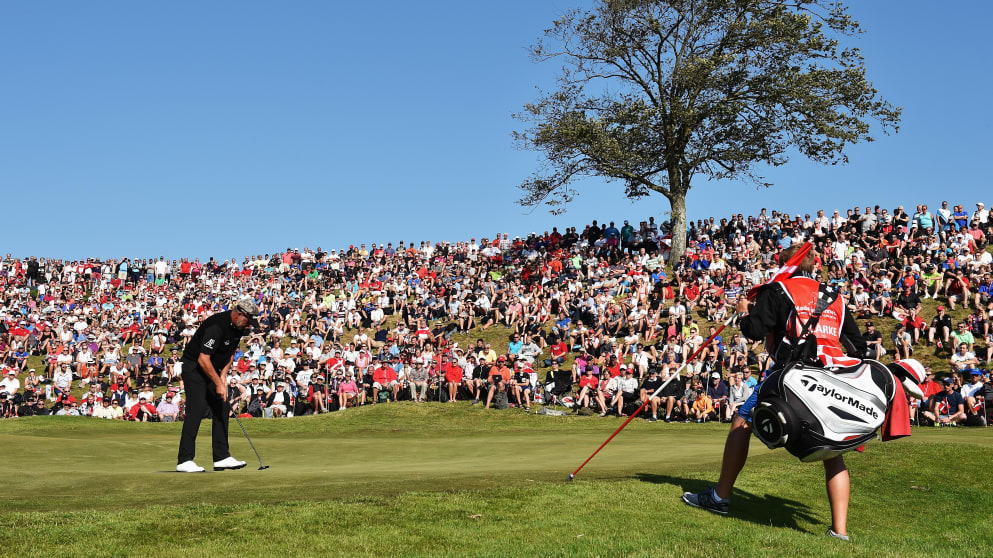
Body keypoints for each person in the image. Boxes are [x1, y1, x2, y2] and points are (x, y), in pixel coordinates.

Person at [682, 243, 866, 541]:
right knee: (833, 451)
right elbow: (860, 347)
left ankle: (720, 497)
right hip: (830, 379)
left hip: (790, 378)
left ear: (785, 264)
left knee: (742, 422)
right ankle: (840, 531)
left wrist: (742, 313)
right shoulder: (835, 297)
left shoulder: (777, 289)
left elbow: (754, 331)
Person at [175, 299, 259, 473]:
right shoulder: (217, 327)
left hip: (212, 369)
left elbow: (229, 355)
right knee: (196, 409)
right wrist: (218, 383)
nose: (249, 324)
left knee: (222, 407)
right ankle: (184, 460)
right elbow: (203, 359)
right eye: (248, 320)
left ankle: (221, 457)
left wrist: (223, 379)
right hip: (194, 368)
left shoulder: (239, 328)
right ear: (239, 314)